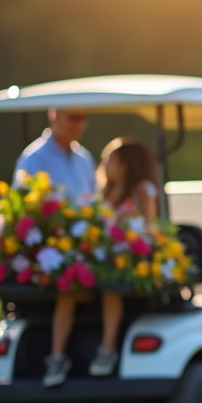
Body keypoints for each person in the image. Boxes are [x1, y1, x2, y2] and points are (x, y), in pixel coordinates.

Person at [41, 138, 160, 388]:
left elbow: (150, 231)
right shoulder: (103, 194)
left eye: (110, 160)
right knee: (68, 289)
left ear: (125, 164)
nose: (103, 164)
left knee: (110, 286)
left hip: (127, 263)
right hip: (101, 260)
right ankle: (57, 357)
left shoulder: (143, 191)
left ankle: (107, 351)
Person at [13, 109, 97, 201]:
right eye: (73, 118)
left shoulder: (85, 158)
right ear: (53, 116)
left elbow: (94, 199)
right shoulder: (34, 158)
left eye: (81, 118)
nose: (78, 124)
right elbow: (22, 203)